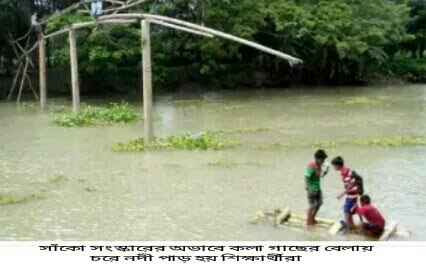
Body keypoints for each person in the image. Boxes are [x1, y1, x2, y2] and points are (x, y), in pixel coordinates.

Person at [331, 156, 363, 231]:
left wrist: (341, 194)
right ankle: (351, 225)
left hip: (352, 194)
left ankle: (348, 229)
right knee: (350, 210)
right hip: (355, 192)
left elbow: (350, 184)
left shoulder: (344, 172)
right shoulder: (347, 170)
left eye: (334, 166)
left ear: (337, 165)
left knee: (346, 210)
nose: (333, 168)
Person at [305, 149, 329, 226]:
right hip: (311, 189)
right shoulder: (311, 165)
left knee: (319, 203)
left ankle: (312, 218)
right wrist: (308, 188)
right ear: (317, 158)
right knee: (312, 206)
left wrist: (325, 173)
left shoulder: (319, 166)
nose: (323, 161)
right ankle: (308, 222)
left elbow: (319, 176)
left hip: (317, 188)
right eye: (322, 159)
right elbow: (306, 177)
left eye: (324, 159)